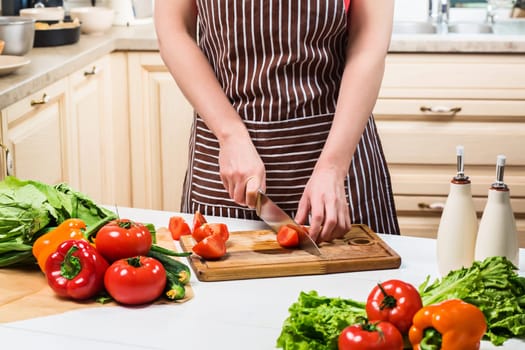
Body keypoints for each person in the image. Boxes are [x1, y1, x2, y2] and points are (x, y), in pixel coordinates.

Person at [154, 0, 400, 243]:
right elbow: (174, 32)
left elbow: (368, 45)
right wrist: (231, 136)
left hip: (337, 153)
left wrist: (333, 166)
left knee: (361, 279)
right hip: (226, 160)